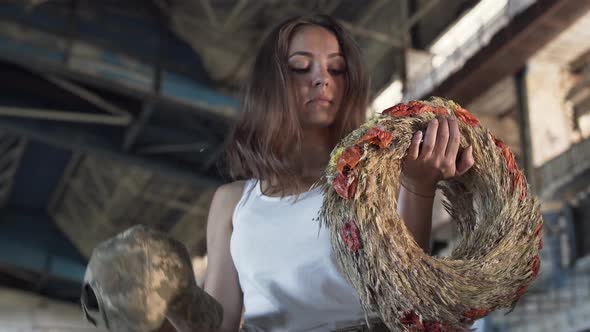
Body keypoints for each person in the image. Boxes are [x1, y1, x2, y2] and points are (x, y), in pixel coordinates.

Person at [167, 14, 474, 332]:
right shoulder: (232, 203)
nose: (322, 78)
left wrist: (419, 188)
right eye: (301, 66)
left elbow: (409, 298)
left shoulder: (377, 182)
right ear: (270, 84)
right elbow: (218, 323)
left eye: (336, 69)